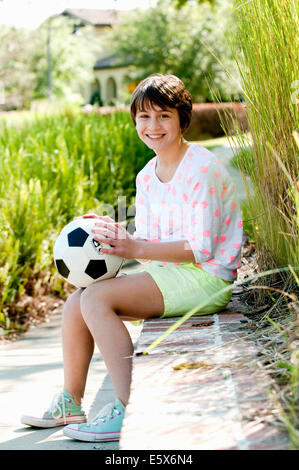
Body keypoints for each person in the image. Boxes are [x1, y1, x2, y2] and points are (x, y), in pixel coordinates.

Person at [21, 74, 243, 442]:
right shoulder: (146, 176)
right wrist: (109, 234)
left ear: (182, 119)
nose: (152, 126)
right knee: (77, 301)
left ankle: (127, 407)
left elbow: (198, 248)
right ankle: (71, 402)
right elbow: (150, 241)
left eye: (163, 116)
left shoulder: (200, 168)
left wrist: (135, 248)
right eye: (144, 117)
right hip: (169, 277)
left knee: (95, 297)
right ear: (135, 121)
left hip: (205, 279)